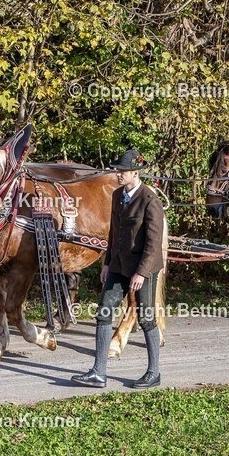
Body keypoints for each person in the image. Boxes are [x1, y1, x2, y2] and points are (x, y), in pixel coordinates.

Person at [72, 148, 165, 389]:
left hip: (142, 268)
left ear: (135, 173)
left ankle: (153, 372)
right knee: (104, 312)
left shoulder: (149, 200)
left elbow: (153, 243)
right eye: (117, 171)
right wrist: (106, 263)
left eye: (122, 171)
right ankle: (98, 372)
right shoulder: (116, 195)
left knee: (145, 318)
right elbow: (114, 234)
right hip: (118, 266)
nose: (118, 175)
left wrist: (142, 273)